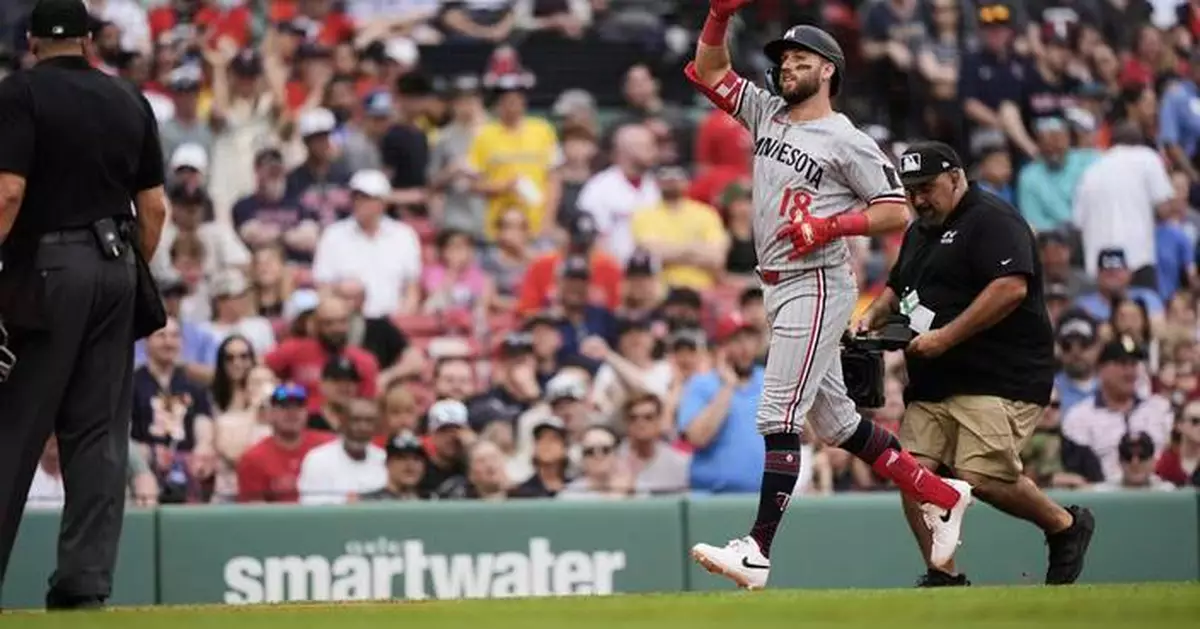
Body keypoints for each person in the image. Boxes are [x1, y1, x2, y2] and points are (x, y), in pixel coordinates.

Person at [683, 4, 972, 591]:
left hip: (815, 280)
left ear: (828, 70)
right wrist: (717, 16)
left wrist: (830, 227)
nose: (787, 65)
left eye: (800, 58)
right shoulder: (767, 113)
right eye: (784, 58)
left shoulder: (847, 139)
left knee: (777, 414)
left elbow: (894, 210)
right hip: (778, 283)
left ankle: (757, 549)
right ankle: (941, 495)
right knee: (838, 422)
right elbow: (710, 71)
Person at [857, 141, 1095, 587]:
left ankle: (1064, 525)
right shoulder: (919, 230)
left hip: (997, 375)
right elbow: (897, 286)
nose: (919, 199)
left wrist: (945, 337)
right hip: (934, 381)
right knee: (911, 473)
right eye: (911, 190)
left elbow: (1010, 288)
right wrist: (871, 315)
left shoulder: (992, 219)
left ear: (956, 177)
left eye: (927, 187)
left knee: (981, 475)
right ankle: (943, 574)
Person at [0, 0, 169, 610]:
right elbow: (154, 209)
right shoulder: (129, 98)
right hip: (116, 266)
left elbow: (8, 193)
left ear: (32, 40)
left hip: (48, 272)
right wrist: (124, 269)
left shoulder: (19, 92)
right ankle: (84, 585)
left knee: (14, 426)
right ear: (90, 41)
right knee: (99, 435)